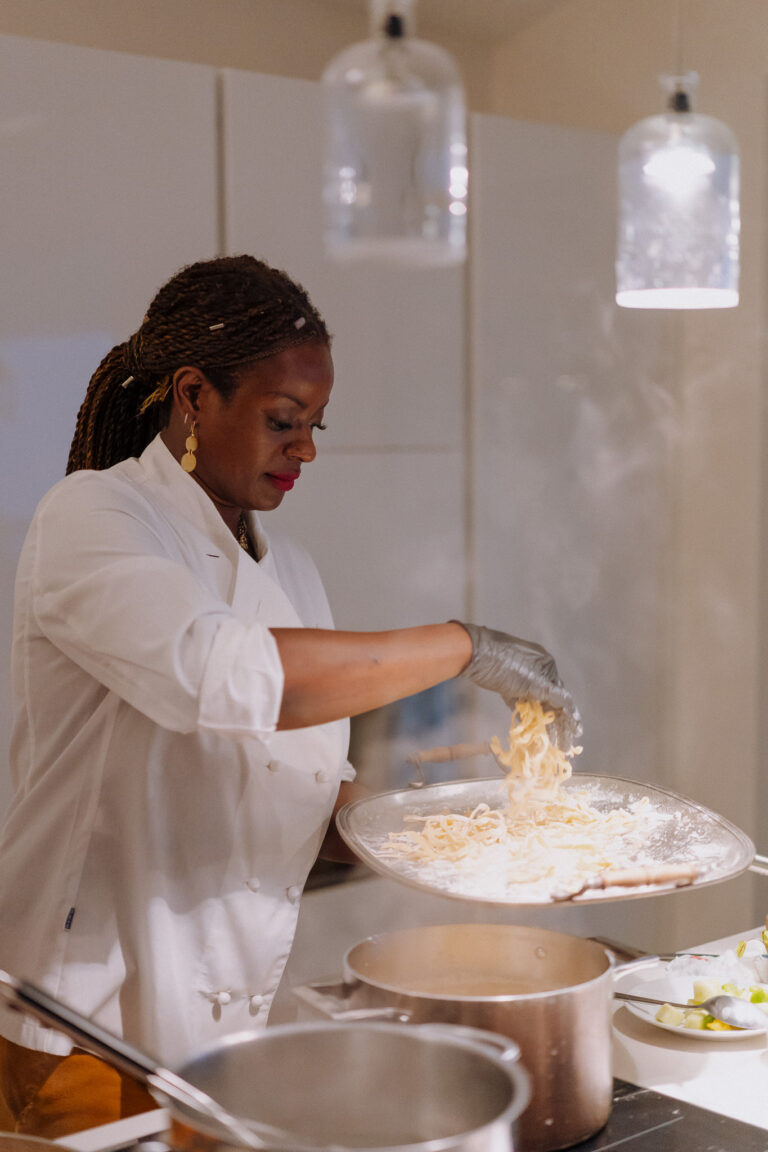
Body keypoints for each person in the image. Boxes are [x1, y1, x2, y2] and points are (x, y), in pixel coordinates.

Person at [0, 255, 580, 1136]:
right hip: (87, 1033)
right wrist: (471, 647)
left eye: (316, 425)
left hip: (220, 1036)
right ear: (193, 397)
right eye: (283, 420)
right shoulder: (93, 519)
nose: (306, 448)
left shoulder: (294, 573)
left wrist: (452, 834)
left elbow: (295, 795)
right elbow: (221, 675)